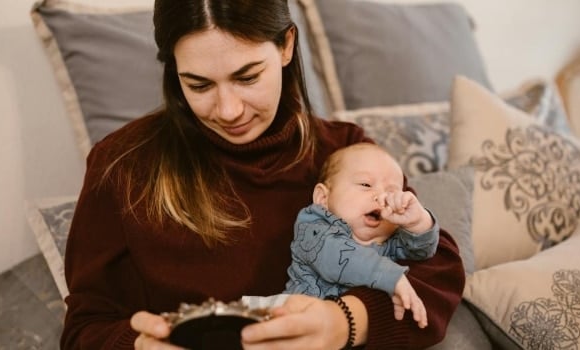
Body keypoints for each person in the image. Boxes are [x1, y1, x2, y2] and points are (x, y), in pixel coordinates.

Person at [61, 0, 465, 349]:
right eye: (198, 85)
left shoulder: (344, 153)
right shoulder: (121, 165)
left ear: (286, 46)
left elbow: (438, 271)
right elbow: (84, 329)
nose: (228, 110)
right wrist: (137, 346)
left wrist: (344, 322)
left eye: (247, 77)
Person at [285, 143, 439, 329]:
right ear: (323, 198)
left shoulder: (390, 239)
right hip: (300, 328)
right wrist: (393, 277)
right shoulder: (314, 228)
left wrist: (418, 222)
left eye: (391, 192)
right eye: (366, 185)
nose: (380, 196)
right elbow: (337, 258)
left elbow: (422, 252)